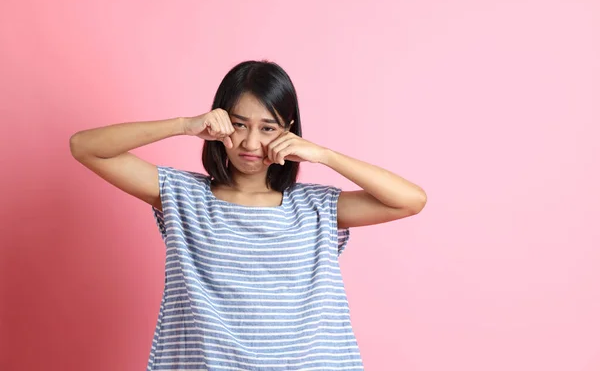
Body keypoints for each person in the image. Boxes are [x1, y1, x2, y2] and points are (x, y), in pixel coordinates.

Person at [70, 60, 427, 370]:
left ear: (288, 129)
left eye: (268, 128)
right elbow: (85, 147)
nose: (251, 143)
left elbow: (410, 200)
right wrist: (184, 125)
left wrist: (324, 155)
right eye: (239, 125)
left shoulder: (317, 208)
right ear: (220, 120)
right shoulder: (184, 197)